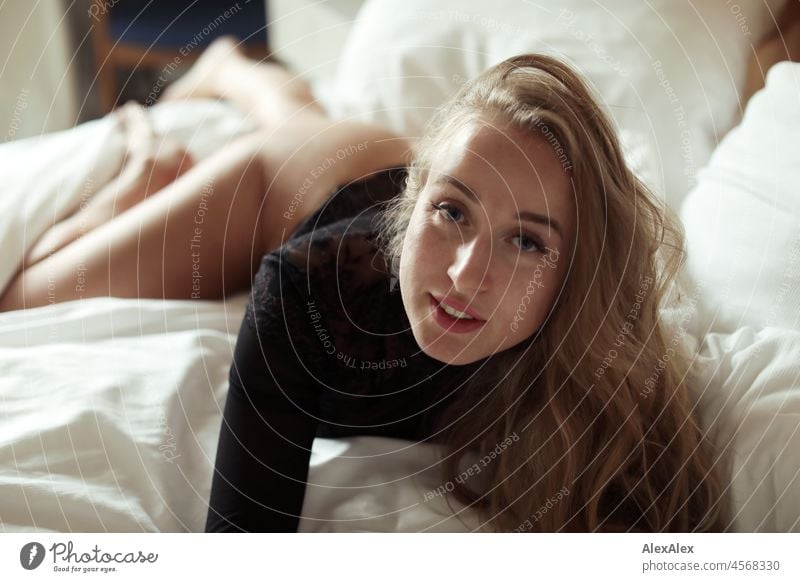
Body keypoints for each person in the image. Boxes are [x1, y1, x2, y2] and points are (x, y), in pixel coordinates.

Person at [2, 12, 797, 530]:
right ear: (415, 205)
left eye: (527, 243)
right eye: (450, 214)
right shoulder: (305, 300)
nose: (462, 275)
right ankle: (218, 87)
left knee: (320, 124)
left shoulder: (606, 379)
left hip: (381, 166)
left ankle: (263, 90)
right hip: (284, 183)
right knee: (24, 296)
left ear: (573, 274)